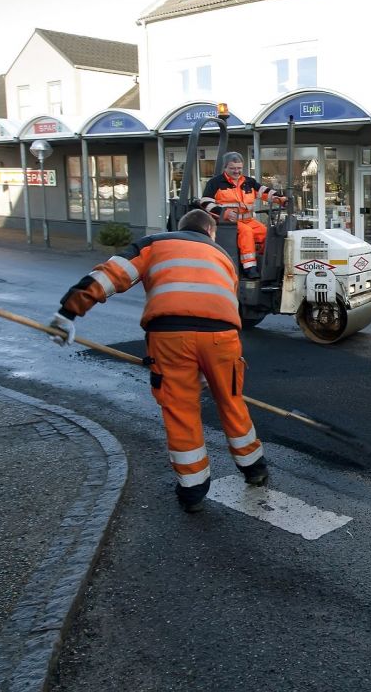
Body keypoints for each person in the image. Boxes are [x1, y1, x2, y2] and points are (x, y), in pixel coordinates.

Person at [47, 209, 268, 513]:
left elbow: (109, 276)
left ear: (180, 228)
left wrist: (68, 313)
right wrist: (207, 365)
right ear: (211, 232)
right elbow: (225, 302)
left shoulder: (154, 243)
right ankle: (254, 468)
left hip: (170, 337)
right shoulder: (223, 257)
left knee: (180, 408)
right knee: (230, 400)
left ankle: (193, 490)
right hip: (222, 337)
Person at [199, 152, 287, 279]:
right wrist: (225, 213)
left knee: (266, 233)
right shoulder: (215, 182)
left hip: (248, 220)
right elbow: (205, 202)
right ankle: (249, 268)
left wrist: (280, 198)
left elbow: (264, 192)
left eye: (239, 168)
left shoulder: (248, 182)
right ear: (225, 167)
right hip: (227, 223)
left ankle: (265, 263)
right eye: (233, 168)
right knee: (246, 232)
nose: (236, 171)